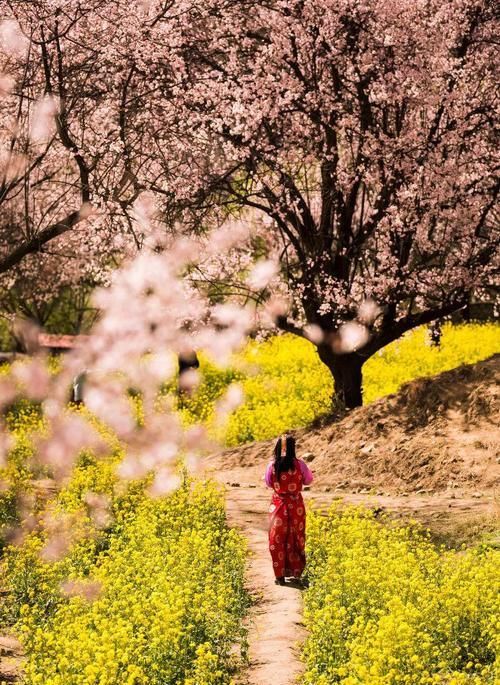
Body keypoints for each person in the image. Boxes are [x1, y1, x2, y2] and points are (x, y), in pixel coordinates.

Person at [264, 433, 313, 586]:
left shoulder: (272, 465)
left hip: (278, 505)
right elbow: (309, 480)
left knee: (276, 538)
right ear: (293, 448)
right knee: (296, 538)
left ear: (278, 447)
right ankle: (295, 574)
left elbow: (268, 483)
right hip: (296, 505)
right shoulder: (300, 465)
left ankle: (280, 576)